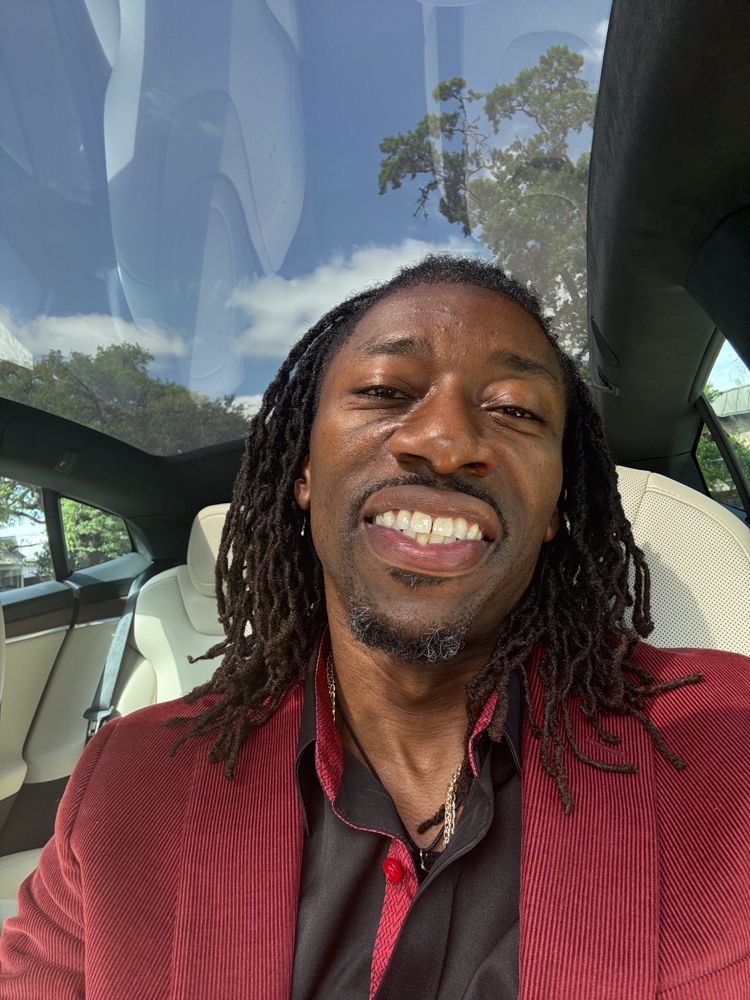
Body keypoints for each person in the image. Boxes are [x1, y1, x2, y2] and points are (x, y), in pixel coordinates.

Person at [0, 255, 749, 1000]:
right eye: (387, 391)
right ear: (303, 472)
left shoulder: (725, 740)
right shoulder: (128, 785)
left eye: (516, 409)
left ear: (557, 505)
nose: (446, 441)